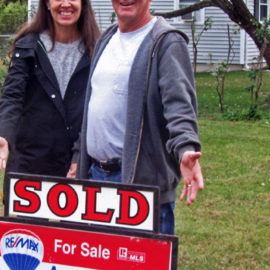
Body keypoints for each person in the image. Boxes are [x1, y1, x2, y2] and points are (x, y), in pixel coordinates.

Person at [67, 0, 204, 235]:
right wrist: (79, 156)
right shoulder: (107, 38)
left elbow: (179, 106)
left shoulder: (166, 42)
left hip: (141, 185)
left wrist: (185, 148)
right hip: (96, 180)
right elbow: (93, 106)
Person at [0, 0, 100, 177]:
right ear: (46, 3)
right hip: (29, 167)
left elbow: (97, 110)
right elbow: (12, 97)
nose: (66, 4)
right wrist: (4, 134)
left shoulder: (98, 49)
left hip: (76, 169)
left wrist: (79, 155)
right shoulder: (28, 45)